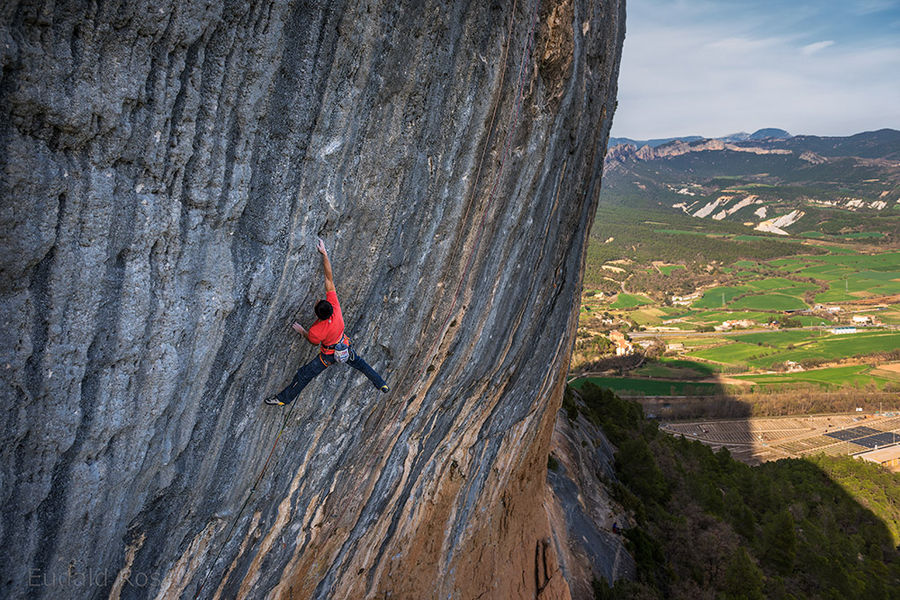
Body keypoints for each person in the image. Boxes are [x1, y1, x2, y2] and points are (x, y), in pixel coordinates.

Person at [265, 238, 389, 406]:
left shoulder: (316, 330)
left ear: (317, 315)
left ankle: (283, 399)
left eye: (317, 303)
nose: (318, 300)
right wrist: (325, 253)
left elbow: (311, 341)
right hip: (344, 346)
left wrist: (302, 331)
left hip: (327, 357)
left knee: (304, 375)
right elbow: (329, 278)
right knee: (362, 365)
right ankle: (381, 383)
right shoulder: (335, 308)